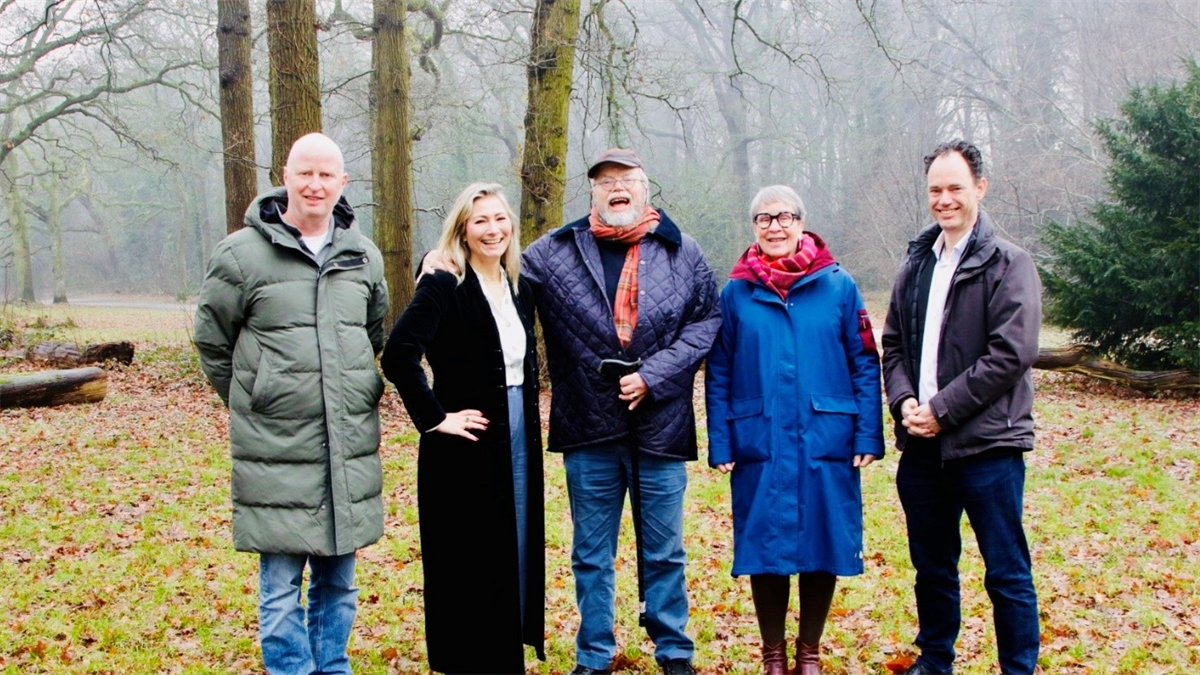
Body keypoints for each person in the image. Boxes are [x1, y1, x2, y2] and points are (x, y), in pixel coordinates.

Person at [422, 148, 719, 675]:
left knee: (666, 552)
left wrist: (654, 375)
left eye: (626, 179)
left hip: (662, 422)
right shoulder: (553, 253)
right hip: (588, 424)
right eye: (605, 182)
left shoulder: (683, 250)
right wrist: (438, 261)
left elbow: (706, 321)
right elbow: (494, 260)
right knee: (591, 553)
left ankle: (674, 650)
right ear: (593, 194)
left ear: (645, 188)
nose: (616, 187)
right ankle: (594, 654)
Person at [193, 132, 389, 675]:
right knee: (280, 586)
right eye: (305, 172)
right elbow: (212, 341)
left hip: (346, 445)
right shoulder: (240, 253)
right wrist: (253, 396)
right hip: (275, 449)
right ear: (286, 174)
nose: (315, 184)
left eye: (327, 174)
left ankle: (332, 666)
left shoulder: (364, 256)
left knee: (339, 583)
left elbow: (373, 336)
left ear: (343, 183)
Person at [705, 185, 884, 675]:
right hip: (758, 437)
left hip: (826, 435)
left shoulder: (838, 285)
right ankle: (773, 654)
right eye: (764, 219)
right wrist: (720, 439)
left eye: (784, 217)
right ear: (754, 229)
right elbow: (718, 370)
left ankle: (808, 649)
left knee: (822, 540)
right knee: (764, 544)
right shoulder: (736, 293)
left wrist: (868, 433)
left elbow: (865, 363)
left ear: (802, 223)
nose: (775, 226)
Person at [881, 140, 1041, 675]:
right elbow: (895, 344)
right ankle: (935, 661)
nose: (944, 199)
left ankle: (1018, 668)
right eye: (935, 190)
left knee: (1006, 572)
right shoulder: (917, 264)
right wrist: (905, 401)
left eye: (955, 188)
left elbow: (1010, 354)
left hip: (988, 446)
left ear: (980, 187)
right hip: (922, 448)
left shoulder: (1009, 264)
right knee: (932, 567)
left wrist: (942, 409)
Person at [380, 183, 544, 675]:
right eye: (480, 221)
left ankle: (505, 658)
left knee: (514, 548)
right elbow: (399, 355)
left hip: (517, 434)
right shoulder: (444, 281)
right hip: (464, 444)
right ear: (463, 231)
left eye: (500, 219)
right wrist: (434, 418)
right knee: (469, 562)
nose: (492, 229)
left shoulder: (521, 286)